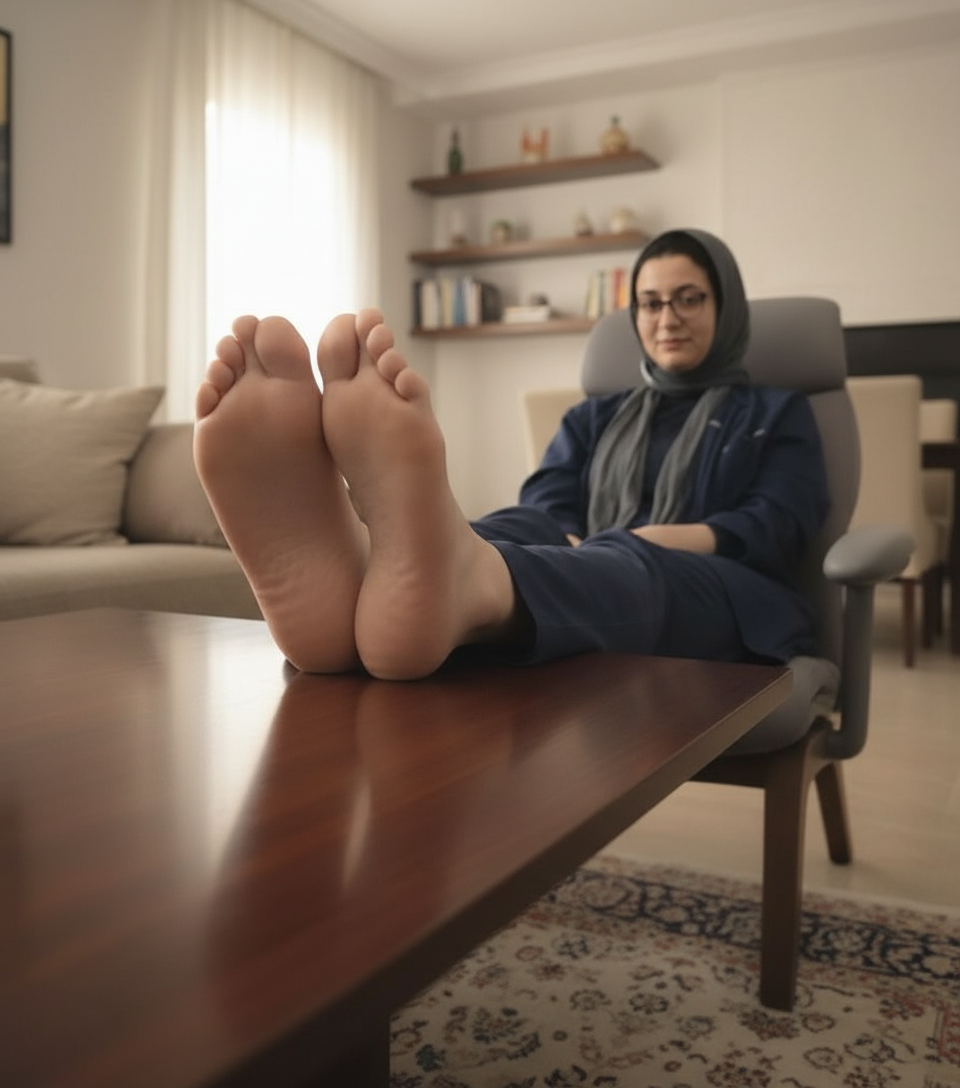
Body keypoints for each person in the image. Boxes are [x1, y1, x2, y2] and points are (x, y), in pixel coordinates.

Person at [193, 228, 829, 681]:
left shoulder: (776, 413)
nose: (667, 317)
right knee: (518, 525)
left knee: (628, 559)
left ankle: (464, 585)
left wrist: (639, 539)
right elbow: (547, 506)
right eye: (650, 302)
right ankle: (373, 579)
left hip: (730, 601)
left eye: (689, 298)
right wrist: (580, 542)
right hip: (593, 561)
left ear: (727, 308)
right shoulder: (596, 413)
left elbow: (775, 529)